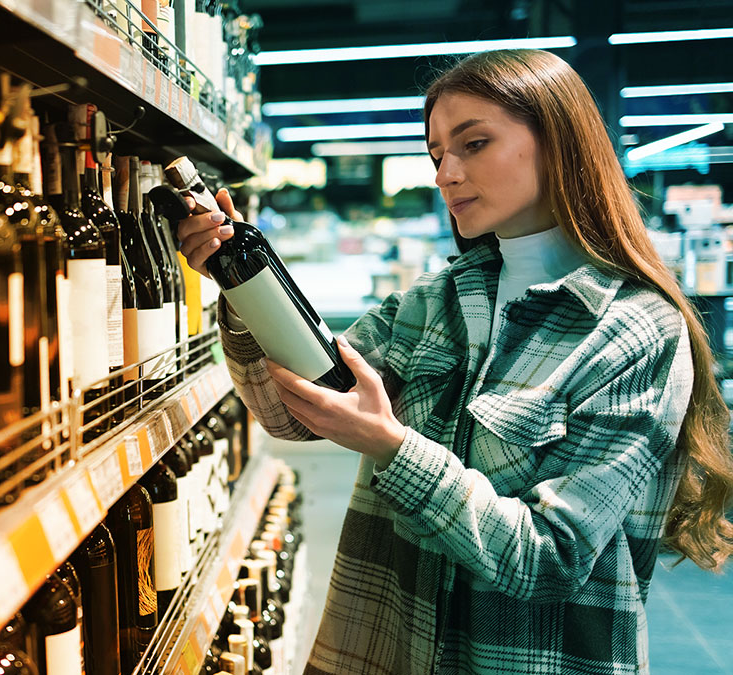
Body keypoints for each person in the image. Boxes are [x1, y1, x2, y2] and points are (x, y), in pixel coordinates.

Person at [177, 49, 733, 674]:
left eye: (474, 144)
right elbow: (290, 413)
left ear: (559, 142)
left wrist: (393, 449)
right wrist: (242, 281)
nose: (446, 174)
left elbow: (553, 558)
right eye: (437, 154)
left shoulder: (635, 331)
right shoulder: (436, 300)